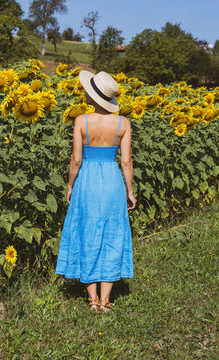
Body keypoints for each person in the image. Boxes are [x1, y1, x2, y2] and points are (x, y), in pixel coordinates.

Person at [55, 70, 137, 313]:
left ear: (94, 97)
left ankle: (91, 300)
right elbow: (127, 161)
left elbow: (76, 160)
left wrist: (70, 185)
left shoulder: (81, 121)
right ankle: (105, 300)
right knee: (112, 234)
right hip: (111, 181)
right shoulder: (123, 123)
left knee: (86, 232)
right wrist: (129, 191)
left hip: (88, 181)